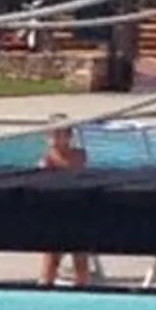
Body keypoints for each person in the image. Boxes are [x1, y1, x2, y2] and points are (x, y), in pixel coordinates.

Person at [38, 124, 98, 289]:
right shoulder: (47, 159)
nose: (55, 140)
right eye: (51, 135)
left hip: (77, 209)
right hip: (56, 210)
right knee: (52, 255)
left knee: (80, 255)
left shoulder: (79, 156)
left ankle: (82, 285)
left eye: (59, 135)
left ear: (69, 137)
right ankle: (46, 283)